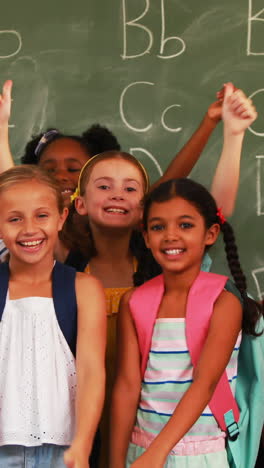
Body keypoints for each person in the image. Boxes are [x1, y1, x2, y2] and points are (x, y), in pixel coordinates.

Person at [60, 83, 257, 467]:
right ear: (78, 203)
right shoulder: (76, 268)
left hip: (181, 441)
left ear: (139, 212)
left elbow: (203, 204)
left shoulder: (172, 279)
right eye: (104, 186)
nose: (170, 236)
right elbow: (17, 204)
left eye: (130, 189)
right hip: (88, 416)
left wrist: (226, 132)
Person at [110, 178, 263, 468]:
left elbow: (204, 384)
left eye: (185, 225)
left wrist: (158, 453)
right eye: (158, 227)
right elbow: (127, 387)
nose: (170, 236)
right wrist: (117, 462)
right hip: (140, 450)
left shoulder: (223, 300)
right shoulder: (134, 302)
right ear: (145, 237)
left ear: (211, 233)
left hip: (200, 455)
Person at [0, 165, 106, 468]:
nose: (29, 229)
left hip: (64, 450)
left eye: (42, 216)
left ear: (61, 217)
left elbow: (91, 373)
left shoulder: (83, 289)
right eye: (14, 219)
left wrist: (83, 444)